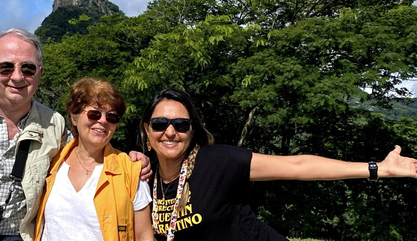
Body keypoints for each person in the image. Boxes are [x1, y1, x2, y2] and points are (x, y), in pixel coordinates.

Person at [0, 28, 150, 241]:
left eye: (28, 69)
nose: (17, 76)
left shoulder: (53, 124)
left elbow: (88, 146)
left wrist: (132, 159)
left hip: (18, 236)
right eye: (6, 67)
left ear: (40, 73)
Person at [139, 88, 417, 241]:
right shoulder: (142, 177)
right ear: (147, 130)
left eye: (181, 124)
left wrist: (378, 169)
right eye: (161, 123)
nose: (170, 132)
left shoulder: (217, 162)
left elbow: (297, 166)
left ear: (192, 130)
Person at [34, 77, 154, 241]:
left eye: (112, 117)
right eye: (94, 114)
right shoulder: (50, 163)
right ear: (74, 118)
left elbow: (144, 235)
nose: (103, 121)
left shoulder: (131, 172)